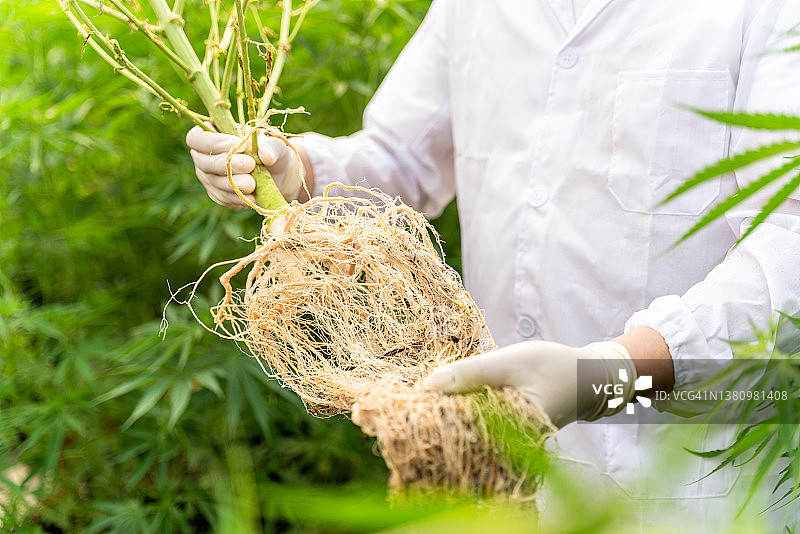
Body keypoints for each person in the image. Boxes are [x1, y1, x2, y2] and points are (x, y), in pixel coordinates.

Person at [187, 0, 800, 529]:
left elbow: (789, 250)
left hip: (692, 491)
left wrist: (605, 376)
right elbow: (402, 156)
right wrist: (296, 170)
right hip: (496, 477)